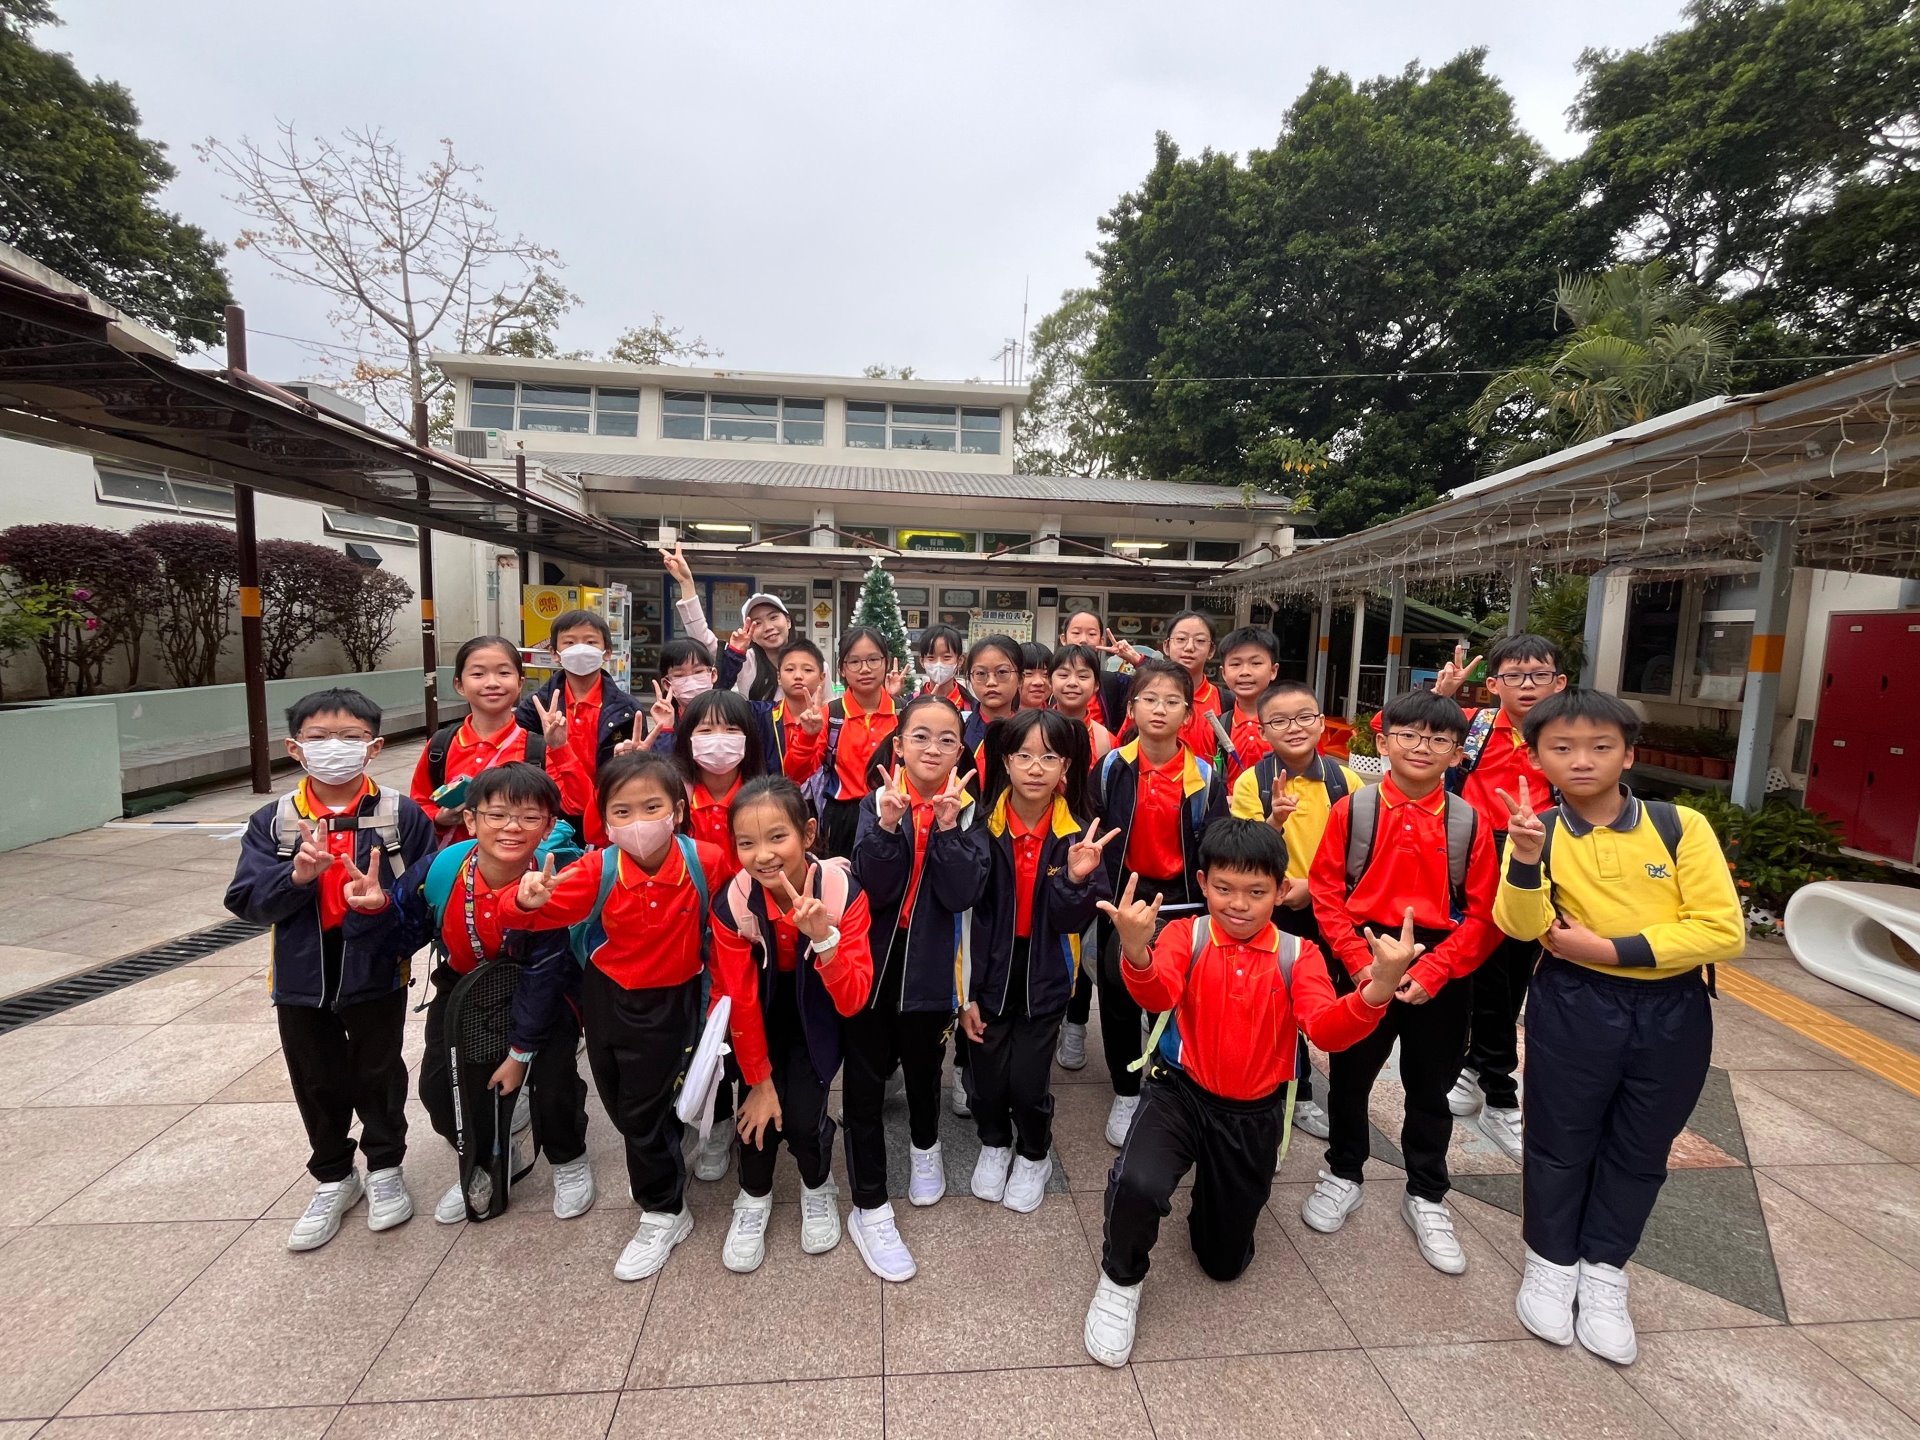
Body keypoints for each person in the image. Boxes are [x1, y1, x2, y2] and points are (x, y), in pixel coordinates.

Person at [1082, 821, 1421, 1367]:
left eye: (1256, 891)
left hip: (1252, 1112)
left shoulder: (1299, 954)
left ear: (1281, 890)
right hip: (1179, 1092)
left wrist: (1378, 987)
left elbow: (1327, 1030)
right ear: (1202, 883)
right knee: (1137, 1182)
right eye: (1223, 888)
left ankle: (1215, 1202)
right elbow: (1158, 992)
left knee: (1223, 1261)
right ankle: (1120, 1279)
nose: (1238, 904)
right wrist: (1136, 952)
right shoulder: (1187, 934)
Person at [1495, 689, 1742, 1365]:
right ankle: (1551, 1262)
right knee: (1559, 1137)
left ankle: (1605, 1270)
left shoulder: (1679, 826)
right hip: (1574, 1003)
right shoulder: (1539, 830)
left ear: (1628, 754)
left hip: (1672, 1008)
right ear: (1538, 758)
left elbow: (1721, 930)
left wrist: (1604, 947)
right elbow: (1520, 925)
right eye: (1563, 748)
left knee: (1642, 1143)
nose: (1582, 760)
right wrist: (1524, 858)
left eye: (1600, 747)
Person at [496, 751, 726, 1282]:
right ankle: (661, 1148)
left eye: (652, 807)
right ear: (604, 819)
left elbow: (740, 904)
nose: (638, 822)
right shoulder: (596, 869)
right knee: (621, 1099)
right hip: (607, 997)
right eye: (622, 811)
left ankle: (664, 1209)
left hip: (674, 999)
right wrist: (525, 901)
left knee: (642, 1111)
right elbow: (528, 914)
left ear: (678, 810)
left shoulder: (706, 861)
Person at [224, 688, 438, 1251]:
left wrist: (383, 905)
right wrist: (295, 877)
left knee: (379, 1072)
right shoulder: (274, 821)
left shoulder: (401, 815)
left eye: (349, 737)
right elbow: (246, 899)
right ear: (295, 748)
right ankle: (334, 1177)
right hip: (301, 976)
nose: (334, 747)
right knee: (315, 1078)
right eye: (319, 738)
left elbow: (424, 895)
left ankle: (386, 1167)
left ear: (374, 747)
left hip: (377, 970)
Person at [343, 763, 594, 1224]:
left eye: (529, 817)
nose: (512, 827)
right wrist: (373, 913)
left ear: (548, 827)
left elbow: (545, 972)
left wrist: (519, 1053)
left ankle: (568, 1158)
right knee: (439, 1088)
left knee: (552, 1080)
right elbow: (399, 940)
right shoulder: (442, 869)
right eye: (497, 815)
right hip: (464, 983)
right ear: (471, 820)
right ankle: (488, 1156)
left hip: (545, 989)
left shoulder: (555, 878)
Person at [1304, 689, 1500, 1274]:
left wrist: (1436, 969)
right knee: (1349, 1076)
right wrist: (1360, 964)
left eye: (1438, 739)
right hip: (1364, 951)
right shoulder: (1354, 810)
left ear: (1458, 753)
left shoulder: (1469, 820)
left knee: (1430, 1084)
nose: (1421, 747)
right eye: (1408, 735)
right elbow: (1326, 891)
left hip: (1442, 959)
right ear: (1384, 741)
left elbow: (1486, 914)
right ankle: (1344, 1171)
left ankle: (1427, 1193)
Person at [845, 694, 991, 1281]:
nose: (933, 748)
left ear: (961, 751)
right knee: (862, 1081)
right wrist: (885, 825)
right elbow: (873, 886)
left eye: (947, 739)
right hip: (873, 963)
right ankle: (869, 1205)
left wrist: (949, 827)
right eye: (920, 737)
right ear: (899, 745)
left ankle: (926, 1147)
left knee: (926, 1065)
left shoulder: (972, 812)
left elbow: (963, 894)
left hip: (933, 963)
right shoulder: (877, 800)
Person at [710, 777, 876, 1272]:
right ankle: (753, 1194)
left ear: (808, 833)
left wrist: (823, 939)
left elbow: (853, 999)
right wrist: (760, 1082)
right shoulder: (733, 902)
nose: (762, 855)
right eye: (746, 842)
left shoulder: (843, 892)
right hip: (760, 1005)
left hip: (819, 1001)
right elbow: (739, 998)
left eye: (777, 837)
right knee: (754, 1115)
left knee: (803, 1118)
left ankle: (817, 1182)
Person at [965, 711, 1114, 1212]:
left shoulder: (1078, 835)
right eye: (1024, 755)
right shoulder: (981, 826)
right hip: (988, 969)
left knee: (1028, 1082)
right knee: (985, 1078)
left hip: (1047, 971)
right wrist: (964, 994)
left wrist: (1074, 879)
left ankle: (1034, 1153)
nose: (1035, 768)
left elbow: (1073, 920)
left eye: (1049, 757)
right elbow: (961, 904)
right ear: (1005, 762)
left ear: (1065, 767)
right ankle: (994, 1143)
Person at [1432, 636, 1566, 1162]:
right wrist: (1444, 697)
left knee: (1514, 972)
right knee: (1487, 970)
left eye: (1539, 675)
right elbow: (1397, 730)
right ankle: (1500, 1091)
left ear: (1559, 682)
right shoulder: (1476, 725)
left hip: (1537, 855)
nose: (1526, 685)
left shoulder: (1563, 736)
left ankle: (1475, 1067)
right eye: (1514, 675)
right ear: (1493, 684)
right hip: (1475, 854)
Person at [1090, 658, 1228, 1149]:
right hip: (1123, 897)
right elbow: (1093, 831)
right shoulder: (1111, 767)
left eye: (1172, 701)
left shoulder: (1205, 777)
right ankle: (1126, 1091)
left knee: (1171, 996)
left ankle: (1165, 1081)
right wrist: (1101, 893)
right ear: (1131, 708)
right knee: (1118, 994)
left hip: (1181, 904)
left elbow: (1215, 845)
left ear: (1188, 715)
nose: (1160, 709)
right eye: (1149, 699)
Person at [1227, 680, 1361, 1147]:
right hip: (1279, 911)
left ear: (1322, 722)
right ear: (1263, 731)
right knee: (1279, 1001)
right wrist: (1275, 821)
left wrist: (1316, 888)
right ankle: (1297, 1090)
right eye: (1280, 721)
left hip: (1335, 911)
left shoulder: (1346, 782)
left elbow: (1359, 853)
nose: (1294, 728)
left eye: (1304, 717)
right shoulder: (1253, 782)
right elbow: (1247, 854)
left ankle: (1338, 1096)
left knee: (1331, 999)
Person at [670, 686, 770, 1183]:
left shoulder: (761, 795)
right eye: (705, 729)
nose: (718, 740)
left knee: (745, 1023)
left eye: (731, 729)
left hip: (748, 934)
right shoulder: (673, 797)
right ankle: (712, 1118)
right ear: (686, 737)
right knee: (696, 1029)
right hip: (684, 934)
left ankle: (747, 1108)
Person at [411, 636, 583, 843]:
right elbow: (418, 805)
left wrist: (560, 748)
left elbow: (577, 805)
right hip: (452, 861)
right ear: (459, 684)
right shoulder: (441, 746)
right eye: (478, 674)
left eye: (504, 673)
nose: (492, 683)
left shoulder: (537, 750)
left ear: (520, 683)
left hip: (520, 860)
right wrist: (439, 818)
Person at [513, 608, 642, 847]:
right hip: (548, 815)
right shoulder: (536, 706)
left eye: (591, 642)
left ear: (607, 652)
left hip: (606, 813)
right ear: (555, 653)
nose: (580, 649)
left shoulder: (627, 710)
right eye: (570, 643)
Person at [796, 626, 901, 859]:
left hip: (896, 812)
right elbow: (797, 773)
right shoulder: (830, 715)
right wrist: (807, 737)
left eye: (873, 659)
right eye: (854, 662)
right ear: (842, 669)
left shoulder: (903, 713)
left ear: (886, 663)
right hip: (843, 819)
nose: (865, 669)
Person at [659, 542, 791, 703]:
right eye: (757, 623)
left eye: (773, 617)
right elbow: (701, 637)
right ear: (749, 632)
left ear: (788, 621)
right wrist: (687, 583)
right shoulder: (744, 662)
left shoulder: (810, 659)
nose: (769, 627)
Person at [1213, 626, 1281, 787]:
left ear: (1273, 670)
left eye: (1256, 663)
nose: (1245, 672)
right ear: (1224, 673)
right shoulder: (1219, 725)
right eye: (1235, 664)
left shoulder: (1289, 722)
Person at [1161, 611, 1225, 765]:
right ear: (1166, 646)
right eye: (1181, 639)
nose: (1189, 647)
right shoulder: (1147, 697)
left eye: (1200, 641)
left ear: (1211, 651)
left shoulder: (1224, 701)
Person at [1049, 643, 1116, 767]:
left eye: (1082, 676)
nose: (1072, 683)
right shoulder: (1033, 732)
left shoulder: (1107, 741)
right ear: (1050, 682)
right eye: (1063, 675)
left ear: (1096, 685)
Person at [960, 633, 1024, 761]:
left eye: (1002, 672)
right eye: (981, 673)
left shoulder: (1030, 733)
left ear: (1020, 679)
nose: (991, 682)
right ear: (970, 679)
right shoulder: (960, 732)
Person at [915, 624, 974, 713]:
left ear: (960, 660)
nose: (938, 664)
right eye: (931, 657)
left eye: (946, 657)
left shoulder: (972, 706)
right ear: (922, 661)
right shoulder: (911, 702)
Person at [1018, 641, 1054, 711]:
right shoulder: (999, 715)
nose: (1039, 682)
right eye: (1028, 673)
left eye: (1046, 674)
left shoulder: (1058, 717)